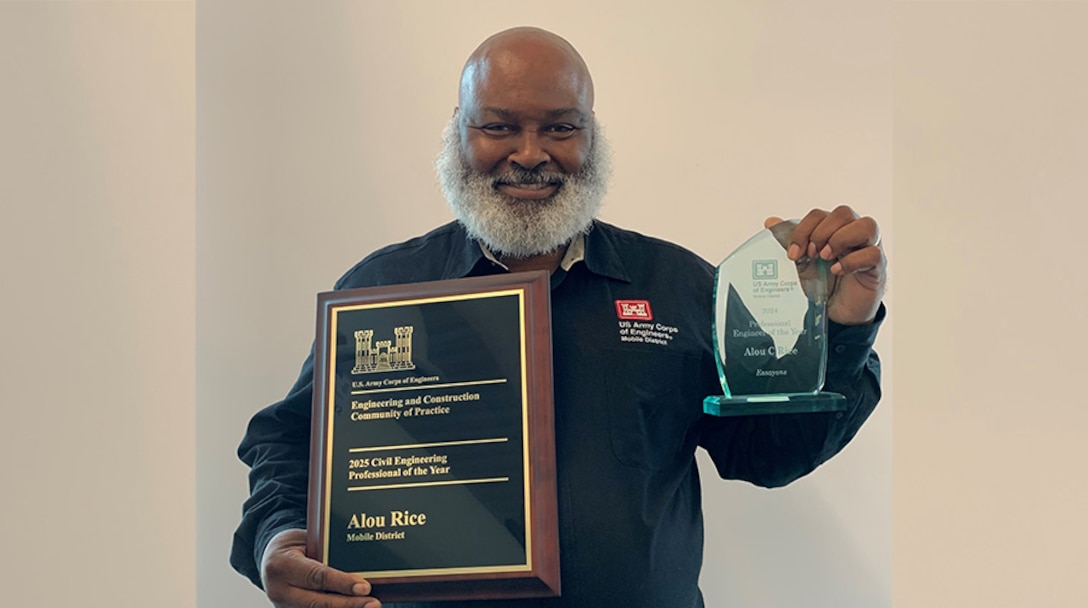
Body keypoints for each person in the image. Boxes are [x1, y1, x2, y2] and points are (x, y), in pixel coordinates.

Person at [230, 26, 886, 608]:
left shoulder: (678, 284)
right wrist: (278, 536)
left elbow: (768, 455)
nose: (530, 152)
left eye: (560, 127)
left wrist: (840, 330)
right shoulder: (384, 289)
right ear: (457, 132)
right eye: (498, 126)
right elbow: (291, 444)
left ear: (591, 135)